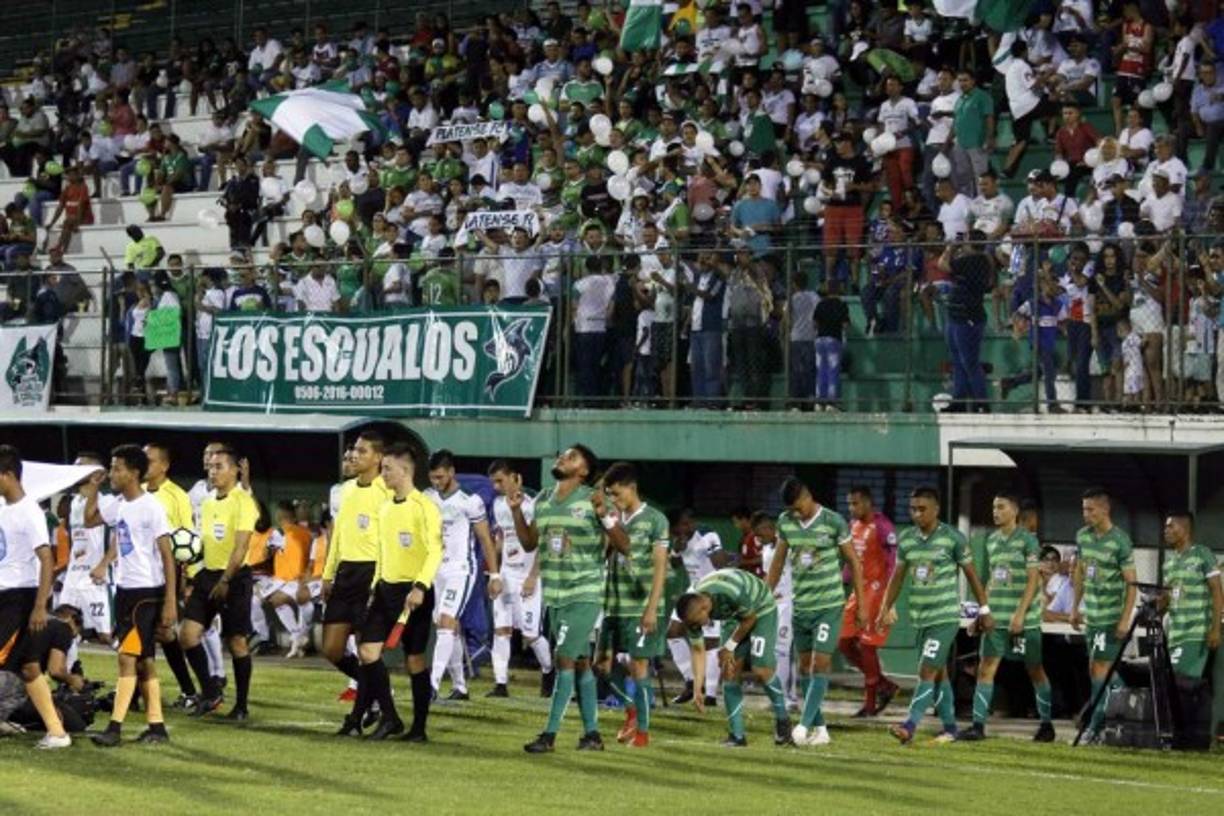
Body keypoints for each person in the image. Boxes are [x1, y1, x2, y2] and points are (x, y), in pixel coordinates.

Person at [877, 487, 992, 744]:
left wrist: (984, 610)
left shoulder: (953, 538)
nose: (917, 514)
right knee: (939, 674)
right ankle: (950, 728)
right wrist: (885, 607)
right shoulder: (907, 540)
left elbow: (972, 575)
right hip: (920, 618)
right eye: (913, 509)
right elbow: (897, 578)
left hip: (944, 618)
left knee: (926, 670)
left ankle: (909, 725)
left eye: (922, 509)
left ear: (936, 509)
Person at [80, 445, 176, 746]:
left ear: (134, 473)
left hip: (145, 591)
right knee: (145, 660)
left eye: (117, 468)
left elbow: (167, 555)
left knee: (126, 657)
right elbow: (90, 519)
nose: (112, 473)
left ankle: (115, 728)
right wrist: (94, 489)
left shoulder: (151, 507)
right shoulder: (119, 503)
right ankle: (157, 726)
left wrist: (170, 600)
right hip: (125, 590)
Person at [345, 442, 442, 742]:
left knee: (414, 660)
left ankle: (419, 729)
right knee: (368, 652)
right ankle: (390, 717)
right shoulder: (385, 508)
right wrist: (375, 586)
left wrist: (420, 587)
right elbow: (383, 553)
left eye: (387, 469)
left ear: (404, 471)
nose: (382, 474)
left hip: (413, 594)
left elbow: (435, 550)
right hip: (385, 591)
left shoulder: (424, 506)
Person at [514, 445, 607, 753]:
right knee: (580, 663)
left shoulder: (593, 499)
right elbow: (529, 543)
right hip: (555, 593)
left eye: (572, 457)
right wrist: (515, 510)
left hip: (584, 591)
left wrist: (604, 524)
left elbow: (617, 542)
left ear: (583, 471)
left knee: (563, 658)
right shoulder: (542, 499)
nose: (563, 458)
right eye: (563, 454)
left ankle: (549, 735)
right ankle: (592, 734)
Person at [768, 477, 865, 747]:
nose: (795, 513)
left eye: (798, 506)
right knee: (805, 670)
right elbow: (776, 565)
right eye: (790, 509)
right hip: (801, 606)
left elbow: (855, 564)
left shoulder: (833, 521)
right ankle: (821, 730)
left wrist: (862, 604)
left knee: (820, 664)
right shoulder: (785, 522)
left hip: (829, 606)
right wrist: (764, 598)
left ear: (808, 495)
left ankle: (802, 726)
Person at [957, 492, 1054, 743]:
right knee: (985, 669)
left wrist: (1020, 614)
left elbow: (1034, 579)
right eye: (993, 507)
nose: (995, 511)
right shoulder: (991, 541)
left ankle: (1046, 725)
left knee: (1035, 670)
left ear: (1014, 511)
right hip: (996, 620)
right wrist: (982, 612)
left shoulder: (1028, 541)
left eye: (1000, 507)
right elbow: (991, 579)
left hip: (1024, 621)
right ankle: (978, 726)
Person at [592, 462, 669, 748]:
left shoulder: (656, 520)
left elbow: (660, 566)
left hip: (640, 606)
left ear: (631, 487)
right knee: (601, 665)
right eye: (609, 494)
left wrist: (652, 608)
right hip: (613, 603)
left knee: (639, 666)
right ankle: (632, 710)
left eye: (616, 492)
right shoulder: (612, 518)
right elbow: (602, 556)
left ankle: (643, 734)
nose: (614, 498)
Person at [0, 445, 72, 749]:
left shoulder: (29, 511)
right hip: (6, 595)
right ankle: (57, 732)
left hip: (20, 598)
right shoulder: (3, 507)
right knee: (29, 666)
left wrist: (41, 607)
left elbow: (46, 559)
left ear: (8, 475)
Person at [179, 446, 259, 720]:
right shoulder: (209, 501)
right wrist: (190, 572)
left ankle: (242, 705)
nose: (213, 472)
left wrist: (226, 579)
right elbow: (203, 542)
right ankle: (211, 691)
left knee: (236, 641)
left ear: (236, 469)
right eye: (211, 467)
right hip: (207, 575)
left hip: (234, 578)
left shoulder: (243, 501)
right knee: (187, 635)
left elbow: (241, 546)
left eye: (219, 466)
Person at [676, 568, 793, 747]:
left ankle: (783, 722)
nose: (695, 626)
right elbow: (698, 651)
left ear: (704, 607)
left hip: (761, 609)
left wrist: (729, 647)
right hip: (734, 616)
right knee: (729, 671)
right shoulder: (692, 612)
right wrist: (698, 689)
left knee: (761, 669)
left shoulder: (729, 591)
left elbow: (750, 619)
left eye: (696, 622)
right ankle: (737, 735)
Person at [326, 431, 392, 735]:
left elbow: (387, 542)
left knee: (367, 650)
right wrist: (328, 573)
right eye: (355, 450)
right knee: (332, 649)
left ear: (378, 458)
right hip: (345, 574)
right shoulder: (346, 490)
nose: (356, 455)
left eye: (363, 451)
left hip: (370, 574)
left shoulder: (386, 492)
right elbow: (338, 535)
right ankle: (379, 695)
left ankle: (356, 718)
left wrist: (378, 582)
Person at [424, 450, 500, 701]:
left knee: (446, 622)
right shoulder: (429, 498)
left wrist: (495, 574)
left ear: (452, 472)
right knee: (449, 627)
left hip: (461, 570)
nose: (437, 482)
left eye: (441, 476)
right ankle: (460, 687)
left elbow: (485, 539)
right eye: (433, 477)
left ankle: (431, 685)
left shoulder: (470, 500)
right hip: (437, 570)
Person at [1070, 487, 1137, 743]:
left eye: (1090, 509)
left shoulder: (1120, 540)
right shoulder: (1083, 537)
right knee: (1097, 670)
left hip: (1110, 617)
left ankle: (1094, 727)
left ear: (1105, 509)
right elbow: (1080, 571)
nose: (1086, 514)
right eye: (1083, 509)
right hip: (1093, 616)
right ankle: (1125, 697)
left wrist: (1124, 619)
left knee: (1099, 669)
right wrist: (1076, 607)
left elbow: (1132, 583)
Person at [487, 460, 553, 698]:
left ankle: (549, 670)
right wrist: (494, 573)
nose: (496, 487)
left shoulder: (534, 506)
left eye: (500, 480)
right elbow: (500, 539)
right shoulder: (497, 505)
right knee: (501, 629)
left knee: (530, 634)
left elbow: (542, 545)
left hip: (527, 576)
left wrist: (533, 576)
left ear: (516, 477)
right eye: (493, 482)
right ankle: (500, 684)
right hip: (506, 574)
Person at [141, 442, 199, 707]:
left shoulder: (177, 496)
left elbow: (189, 538)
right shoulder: (138, 492)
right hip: (139, 572)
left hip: (167, 572)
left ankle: (190, 691)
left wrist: (187, 577)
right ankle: (137, 693)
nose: (144, 466)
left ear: (164, 465)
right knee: (144, 633)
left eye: (149, 461)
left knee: (163, 632)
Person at [838, 485, 899, 717]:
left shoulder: (883, 526)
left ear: (867, 503)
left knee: (867, 646)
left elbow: (895, 564)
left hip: (877, 593)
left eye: (855, 503)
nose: (851, 508)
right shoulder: (853, 526)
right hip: (857, 593)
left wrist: (890, 600)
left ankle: (870, 704)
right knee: (843, 643)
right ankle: (885, 685)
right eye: (849, 504)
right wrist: (841, 583)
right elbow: (851, 561)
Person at [666, 507, 729, 707]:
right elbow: (674, 565)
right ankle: (691, 682)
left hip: (712, 591)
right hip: (693, 589)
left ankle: (710, 695)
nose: (685, 528)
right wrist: (677, 548)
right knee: (673, 632)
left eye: (687, 523)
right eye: (679, 527)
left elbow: (721, 564)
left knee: (710, 642)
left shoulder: (707, 534)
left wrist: (712, 549)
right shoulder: (679, 540)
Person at [57, 453, 113, 645]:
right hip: (75, 573)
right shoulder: (73, 502)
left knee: (106, 634)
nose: (74, 471)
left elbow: (117, 538)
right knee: (63, 621)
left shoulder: (106, 502)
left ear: (96, 474)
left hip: (96, 575)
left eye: (80, 467)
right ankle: (72, 669)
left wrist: (105, 564)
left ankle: (138, 670)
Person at [1161, 513, 1222, 683]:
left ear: (1185, 528)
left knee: (1183, 683)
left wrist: (1215, 629)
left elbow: (1217, 591)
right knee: (1175, 686)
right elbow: (1168, 597)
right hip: (1175, 634)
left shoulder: (1202, 554)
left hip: (1196, 633)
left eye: (1170, 526)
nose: (1165, 530)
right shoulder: (1169, 563)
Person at [939, 233, 994, 411]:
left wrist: (951, 248)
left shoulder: (974, 260)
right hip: (956, 315)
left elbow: (942, 265)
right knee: (957, 360)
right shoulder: (982, 259)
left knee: (969, 361)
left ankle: (981, 402)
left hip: (968, 317)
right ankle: (959, 400)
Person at [258, 502, 313, 659]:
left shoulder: (279, 532)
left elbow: (265, 555)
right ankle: (298, 637)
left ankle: (297, 635)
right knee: (275, 599)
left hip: (290, 580)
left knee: (275, 599)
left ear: (280, 515)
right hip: (303, 579)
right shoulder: (305, 533)